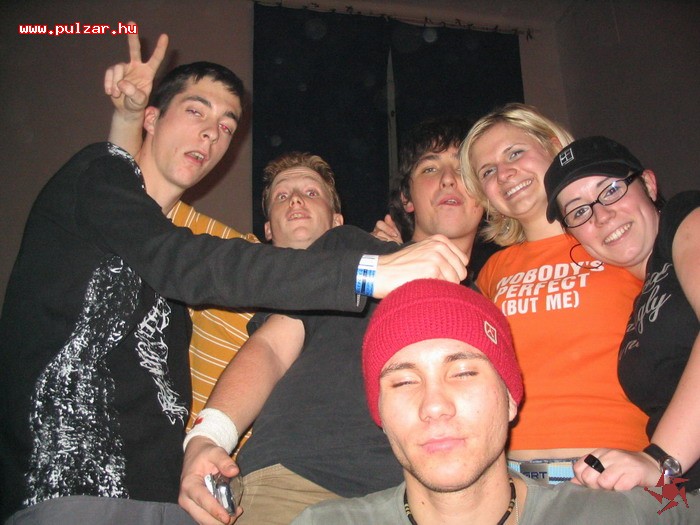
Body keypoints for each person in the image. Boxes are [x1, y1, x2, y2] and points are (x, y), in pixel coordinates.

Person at [0, 34, 468, 524]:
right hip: (70, 480)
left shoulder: (186, 278)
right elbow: (182, 255)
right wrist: (126, 122)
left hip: (171, 495)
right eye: (196, 112)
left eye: (226, 126)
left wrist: (378, 253)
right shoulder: (161, 225)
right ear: (264, 231)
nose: (211, 134)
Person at [179, 117, 484, 525]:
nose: (447, 179)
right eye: (430, 168)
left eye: (462, 169)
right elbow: (272, 347)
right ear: (407, 198)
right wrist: (208, 436)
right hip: (298, 483)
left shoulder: (488, 301)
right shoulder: (347, 250)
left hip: (426, 500)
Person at [292, 278, 700, 524]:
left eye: (463, 373)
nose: (434, 405)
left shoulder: (611, 514)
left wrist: (664, 478)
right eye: (403, 381)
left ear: (510, 399)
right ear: (379, 413)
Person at [458, 103, 648, 484]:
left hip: (614, 477)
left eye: (515, 153)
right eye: (488, 171)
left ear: (553, 146)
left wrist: (664, 464)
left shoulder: (618, 239)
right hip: (512, 480)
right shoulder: (493, 271)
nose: (504, 174)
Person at [544, 135, 700, 492]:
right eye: (579, 211)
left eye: (611, 190)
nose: (601, 215)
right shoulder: (638, 303)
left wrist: (659, 460)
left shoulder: (684, 217)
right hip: (677, 494)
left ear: (648, 184)